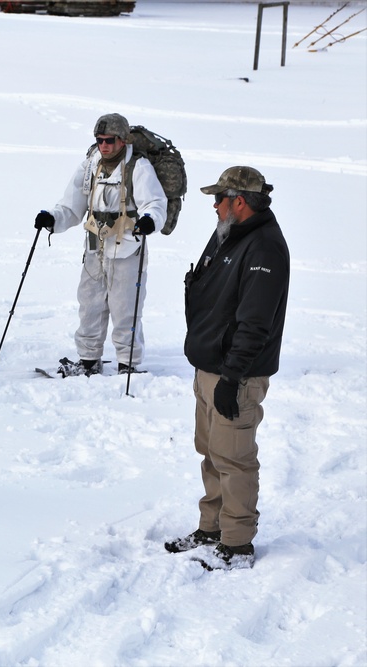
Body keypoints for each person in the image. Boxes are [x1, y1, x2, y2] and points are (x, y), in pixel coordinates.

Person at [165, 166, 289, 570]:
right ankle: (212, 528)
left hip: (236, 374)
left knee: (234, 458)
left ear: (239, 200)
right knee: (211, 452)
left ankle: (236, 544)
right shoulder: (228, 234)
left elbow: (255, 323)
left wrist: (233, 377)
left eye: (219, 198)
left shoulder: (264, 248)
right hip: (210, 367)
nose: (214, 206)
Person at [35, 113, 166, 376]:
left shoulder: (138, 167)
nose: (103, 145)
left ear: (122, 140)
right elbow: (71, 205)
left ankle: (128, 363)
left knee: (126, 306)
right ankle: (88, 359)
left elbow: (155, 203)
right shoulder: (90, 165)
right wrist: (53, 218)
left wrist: (151, 220)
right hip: (95, 246)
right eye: (99, 140)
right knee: (90, 303)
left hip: (128, 246)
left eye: (109, 140)